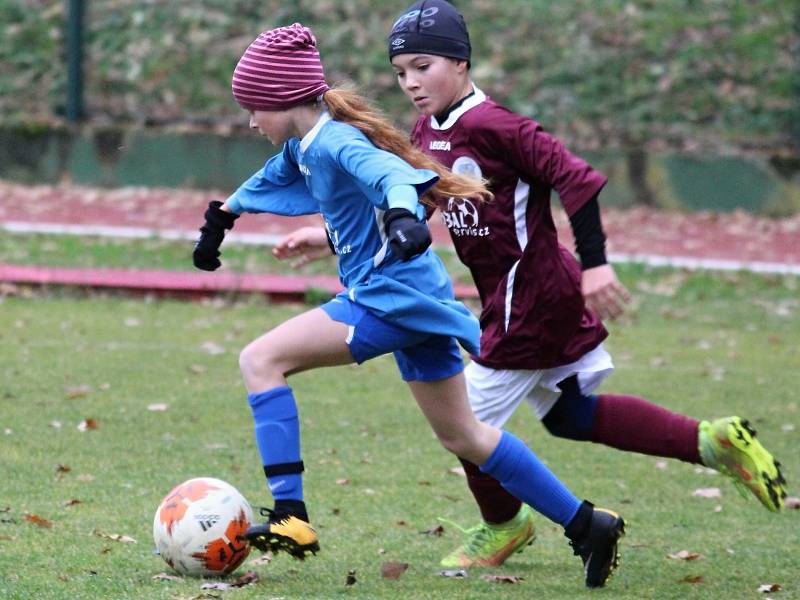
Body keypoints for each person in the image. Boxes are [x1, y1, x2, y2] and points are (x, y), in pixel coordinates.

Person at [275, 0, 788, 572]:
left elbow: (579, 181)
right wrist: (326, 235)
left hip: (532, 298)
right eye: (401, 72)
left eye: (424, 66)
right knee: (568, 416)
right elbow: (418, 201)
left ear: (461, 62)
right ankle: (711, 441)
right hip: (525, 295)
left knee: (464, 424)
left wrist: (597, 265)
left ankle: (504, 525)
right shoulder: (429, 128)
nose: (411, 83)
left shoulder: (497, 126)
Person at [192, 23, 625, 588]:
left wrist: (401, 216)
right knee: (464, 436)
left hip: (387, 298)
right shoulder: (309, 143)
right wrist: (226, 215)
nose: (250, 122)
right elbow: (278, 174)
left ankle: (292, 514)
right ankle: (587, 523)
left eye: (253, 108)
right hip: (414, 295)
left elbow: (394, 175)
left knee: (260, 360)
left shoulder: (339, 140)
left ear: (284, 98)